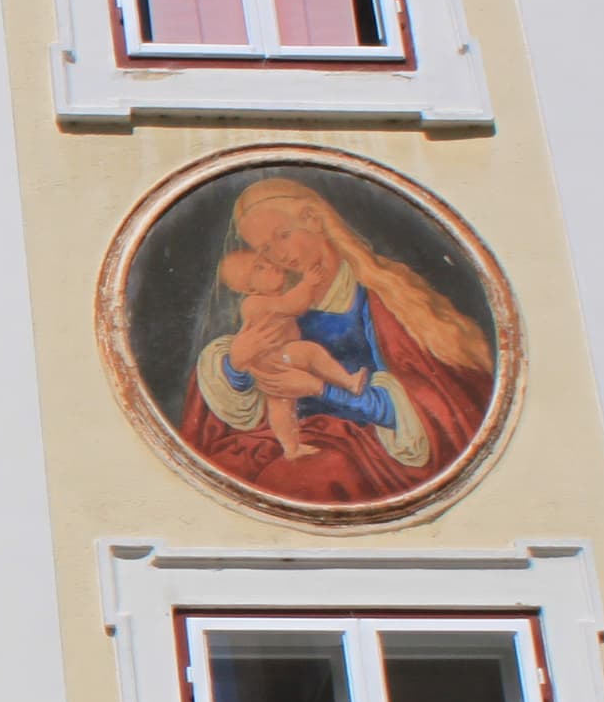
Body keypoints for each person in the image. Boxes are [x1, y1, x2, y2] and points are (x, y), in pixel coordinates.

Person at [178, 175, 498, 508]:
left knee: (304, 479)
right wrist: (237, 366)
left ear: (313, 220)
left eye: (283, 237)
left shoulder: (386, 296)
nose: (279, 257)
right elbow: (253, 391)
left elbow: (433, 409)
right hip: (298, 435)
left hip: (372, 444)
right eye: (265, 250)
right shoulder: (277, 302)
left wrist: (322, 390)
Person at [212, 242, 372, 457]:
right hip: (277, 357)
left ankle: (291, 447)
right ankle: (348, 382)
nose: (270, 266)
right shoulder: (254, 303)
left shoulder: (268, 299)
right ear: (249, 288)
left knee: (281, 404)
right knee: (311, 353)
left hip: (273, 361)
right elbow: (293, 305)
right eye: (259, 269)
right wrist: (308, 283)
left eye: (264, 261)